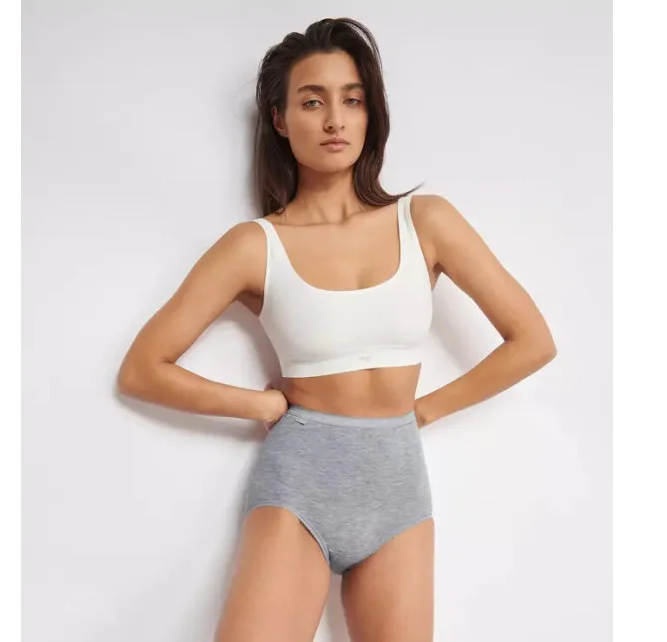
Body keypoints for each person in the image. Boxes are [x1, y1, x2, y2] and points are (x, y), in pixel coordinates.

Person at [117, 17, 557, 642]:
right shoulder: (254, 245)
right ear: (279, 119)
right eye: (312, 102)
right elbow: (142, 369)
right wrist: (260, 404)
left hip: (398, 484)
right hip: (300, 482)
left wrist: (422, 412)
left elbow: (533, 341)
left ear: (371, 114)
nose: (335, 120)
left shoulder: (426, 221)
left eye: (352, 100)